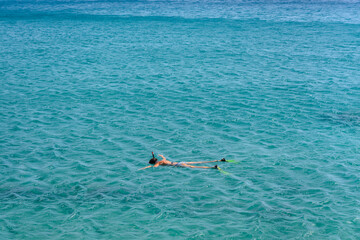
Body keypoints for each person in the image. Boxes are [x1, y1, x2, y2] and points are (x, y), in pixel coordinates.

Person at [139, 152, 227, 170]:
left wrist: (146, 167)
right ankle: (218, 160)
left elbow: (154, 166)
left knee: (194, 166)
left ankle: (212, 167)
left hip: (178, 165)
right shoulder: (162, 160)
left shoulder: (158, 163)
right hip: (178, 162)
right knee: (196, 162)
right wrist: (161, 155)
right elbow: (164, 158)